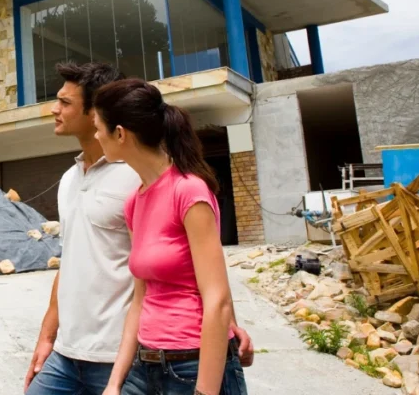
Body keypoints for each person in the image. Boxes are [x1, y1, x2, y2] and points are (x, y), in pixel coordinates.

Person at [24, 64, 252, 395]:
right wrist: (48, 336)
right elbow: (79, 263)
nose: (54, 110)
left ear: (108, 125)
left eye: (65, 102)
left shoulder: (166, 185)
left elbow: (208, 282)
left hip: (152, 356)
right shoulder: (92, 186)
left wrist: (225, 328)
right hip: (99, 354)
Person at [93, 79, 248, 395]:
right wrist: (114, 383)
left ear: (120, 133)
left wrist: (205, 391)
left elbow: (216, 297)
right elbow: (140, 298)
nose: (96, 135)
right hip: (147, 366)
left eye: (99, 128)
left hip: (192, 367)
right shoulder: (134, 202)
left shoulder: (189, 190)